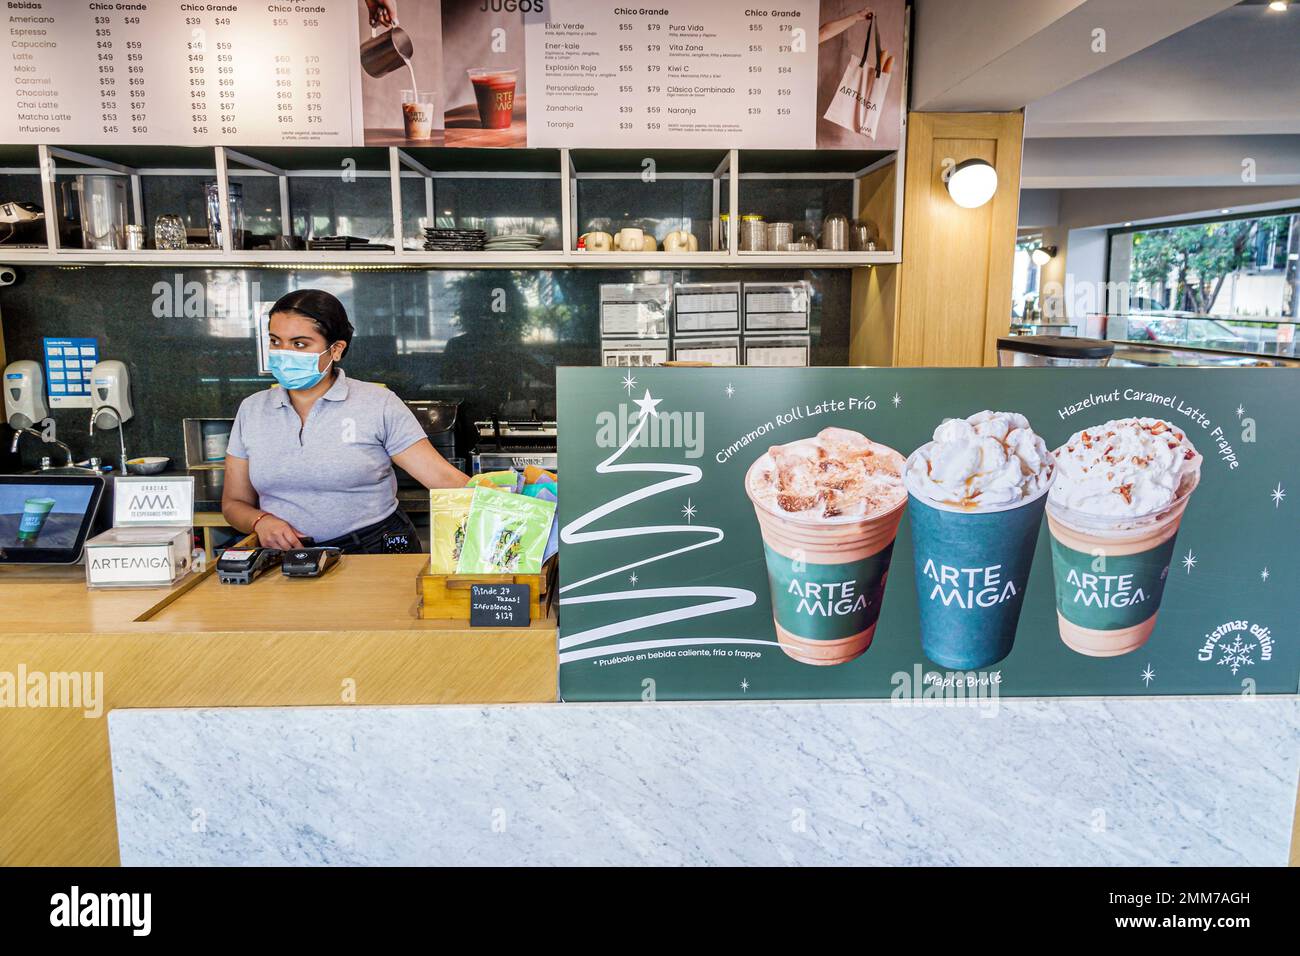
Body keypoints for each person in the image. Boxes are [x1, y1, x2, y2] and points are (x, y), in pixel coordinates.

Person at [222, 289, 466, 555]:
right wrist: (260, 521)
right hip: (288, 558)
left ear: (336, 349)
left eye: (300, 344)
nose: (284, 353)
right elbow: (234, 503)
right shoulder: (252, 410)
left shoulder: (378, 403)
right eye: (275, 341)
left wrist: (509, 502)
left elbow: (443, 478)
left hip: (374, 551)